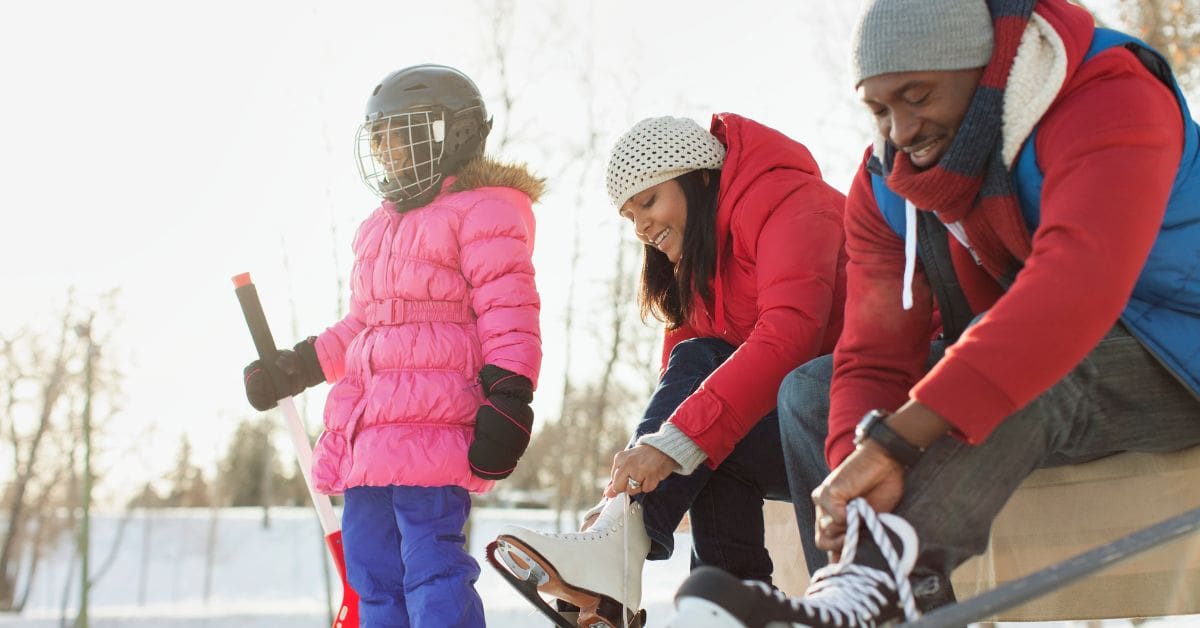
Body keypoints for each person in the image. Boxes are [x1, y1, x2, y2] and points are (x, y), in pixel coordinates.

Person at [669, 0, 1200, 626]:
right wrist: (852, 472)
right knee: (810, 391)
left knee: (1026, 364)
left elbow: (1072, 290)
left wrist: (897, 439)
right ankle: (866, 598)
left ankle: (875, 583)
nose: (901, 128)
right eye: (879, 108)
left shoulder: (1107, 95)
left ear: (984, 67)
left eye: (918, 96)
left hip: (1174, 352)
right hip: (1037, 345)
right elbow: (874, 351)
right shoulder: (887, 181)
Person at [490, 114, 848, 627]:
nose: (640, 226)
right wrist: (631, 496)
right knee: (705, 435)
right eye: (629, 214)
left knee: (699, 403)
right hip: (803, 426)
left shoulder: (786, 200)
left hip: (867, 404)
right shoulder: (698, 272)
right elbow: (678, 399)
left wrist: (672, 445)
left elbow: (790, 337)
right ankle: (715, 599)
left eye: (650, 201)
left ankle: (616, 557)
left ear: (699, 177)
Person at [240, 64, 543, 627]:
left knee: (430, 564)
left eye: (397, 136)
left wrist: (509, 395)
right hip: (366, 435)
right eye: (377, 139)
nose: (384, 151)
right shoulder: (378, 227)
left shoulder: (484, 211)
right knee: (371, 576)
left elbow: (509, 311)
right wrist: (299, 365)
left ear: (449, 135)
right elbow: (364, 325)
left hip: (432, 428)